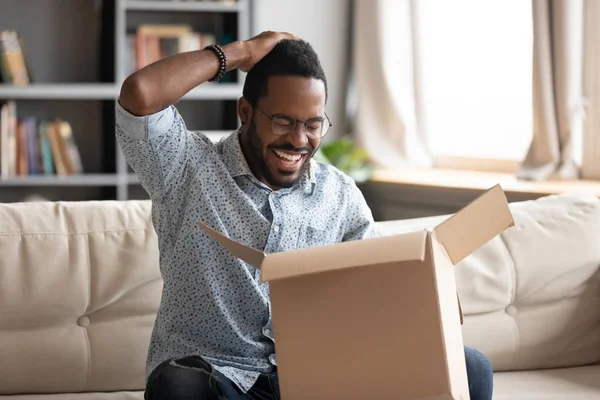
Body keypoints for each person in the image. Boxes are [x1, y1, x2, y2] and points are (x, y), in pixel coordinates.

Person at [115, 31, 494, 400]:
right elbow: (140, 94)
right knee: (178, 387)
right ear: (245, 112)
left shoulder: (339, 194)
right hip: (219, 377)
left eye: (313, 125)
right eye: (283, 121)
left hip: (322, 379)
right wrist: (241, 52)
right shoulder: (186, 168)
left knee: (471, 368)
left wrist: (421, 297)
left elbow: (374, 294)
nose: (299, 140)